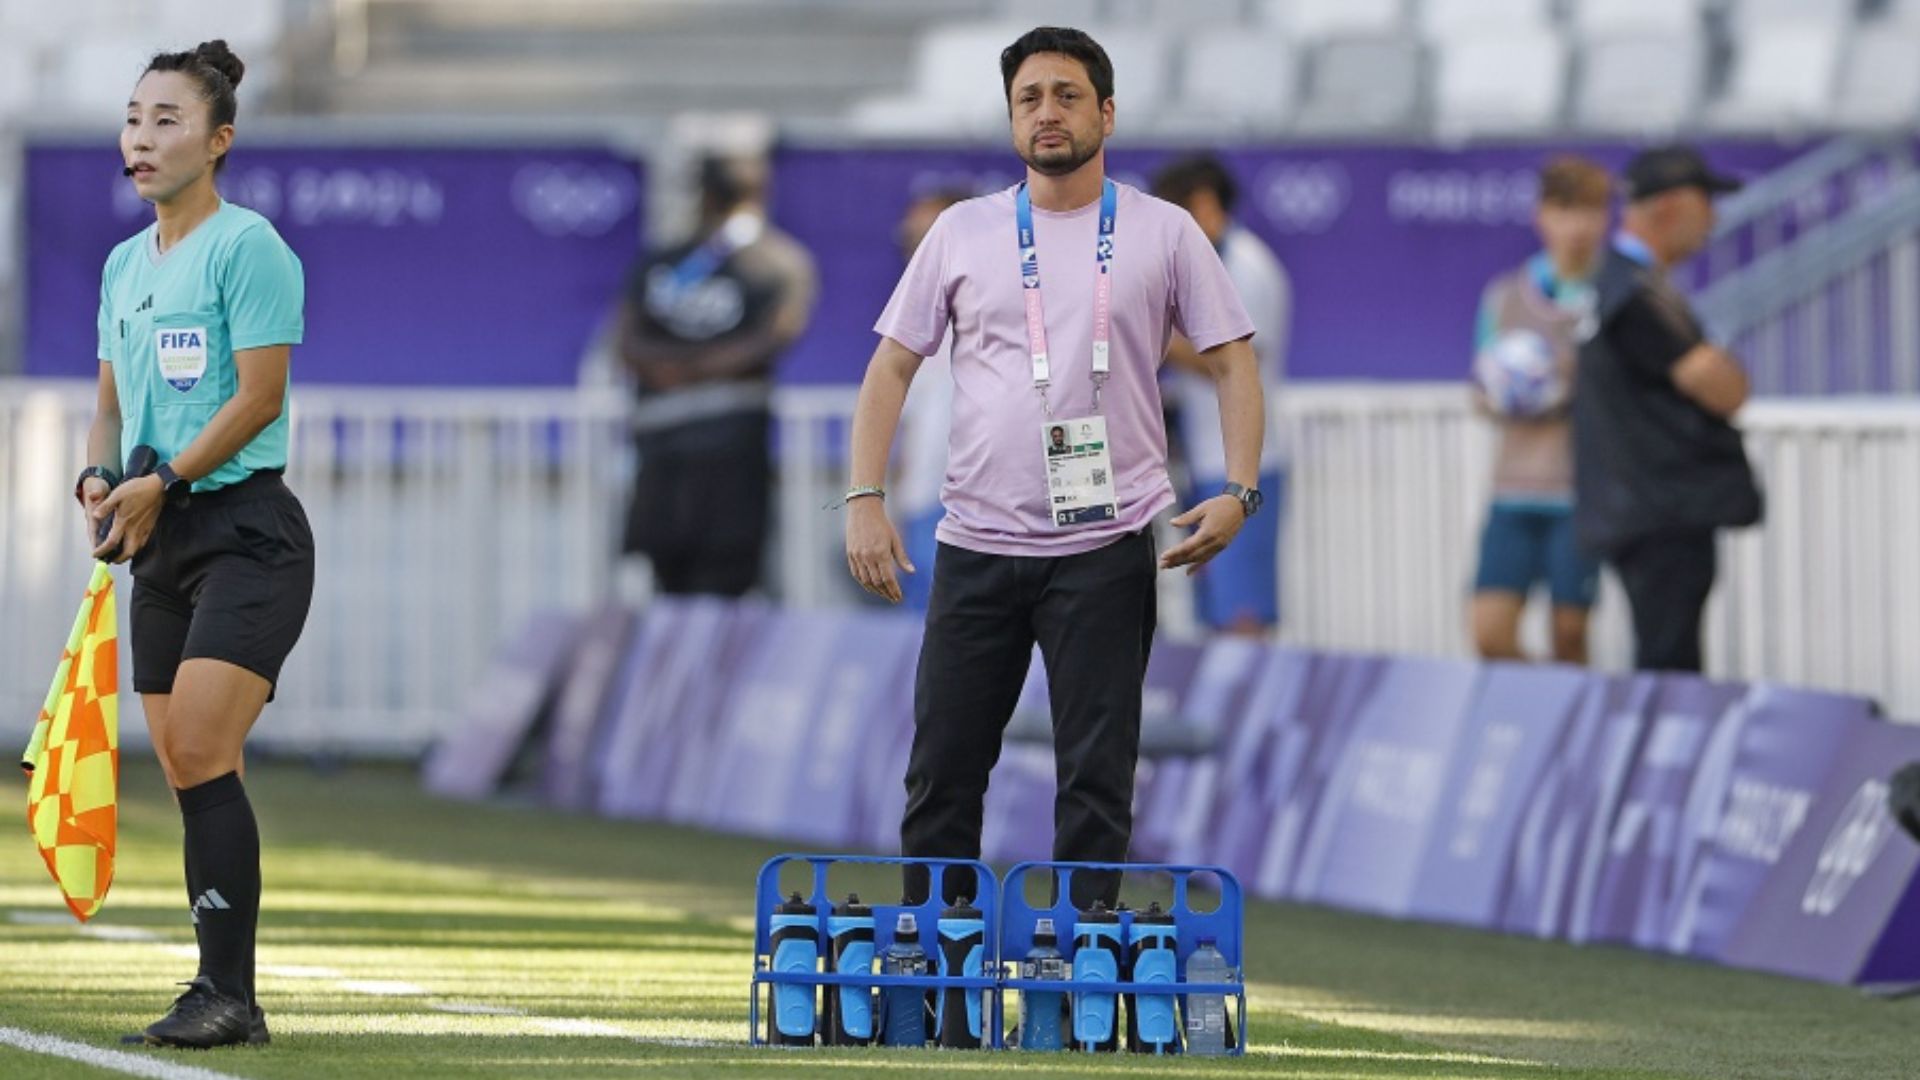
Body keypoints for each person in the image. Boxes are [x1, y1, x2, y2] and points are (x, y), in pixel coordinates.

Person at [842, 27, 1265, 906]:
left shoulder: (1164, 230)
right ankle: (942, 966)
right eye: (1030, 98)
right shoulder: (963, 231)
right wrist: (863, 498)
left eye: (1067, 95)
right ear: (1010, 120)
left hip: (1106, 546)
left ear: (1106, 112)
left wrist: (1237, 490)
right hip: (976, 542)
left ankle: (1081, 972)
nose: (1048, 113)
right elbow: (890, 365)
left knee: (1098, 779)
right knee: (943, 773)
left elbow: (1233, 361)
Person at [81, 40, 313, 1049]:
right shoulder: (125, 264)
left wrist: (164, 479)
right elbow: (109, 404)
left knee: (205, 749)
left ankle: (231, 997)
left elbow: (260, 397)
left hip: (246, 532)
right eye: (135, 117)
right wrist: (98, 482)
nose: (142, 136)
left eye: (167, 119)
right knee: (183, 762)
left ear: (217, 142)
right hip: (159, 539)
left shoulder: (248, 247)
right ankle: (219, 990)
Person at [1574, 145, 1762, 673]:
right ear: (1670, 209)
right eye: (1706, 205)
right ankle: (1666, 755)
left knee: (1665, 653)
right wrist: (1725, 369)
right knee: (1669, 665)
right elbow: (1723, 389)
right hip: (1661, 509)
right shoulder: (1634, 294)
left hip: (1647, 505)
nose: (1714, 221)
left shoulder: (1620, 283)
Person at [617, 155, 817, 597]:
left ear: (702, 196)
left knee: (689, 586)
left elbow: (629, 344)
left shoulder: (765, 262)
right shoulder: (779, 261)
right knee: (707, 584)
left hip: (693, 451)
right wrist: (707, 369)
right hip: (701, 453)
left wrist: (677, 369)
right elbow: (774, 337)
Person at [1468, 156, 1610, 664]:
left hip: (1578, 494)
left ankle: (1572, 732)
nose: (1578, 226)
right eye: (1565, 210)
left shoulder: (1612, 295)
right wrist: (1507, 393)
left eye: (1591, 211)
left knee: (1570, 635)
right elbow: (1480, 389)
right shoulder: (1506, 296)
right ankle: (1539, 712)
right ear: (1541, 216)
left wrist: (1567, 386)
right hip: (1513, 491)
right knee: (1489, 633)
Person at [1151, 155, 1292, 635]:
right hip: (1204, 460)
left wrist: (1156, 337)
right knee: (1210, 606)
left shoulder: (1247, 267)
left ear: (1205, 207)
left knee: (1243, 609)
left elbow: (1236, 361)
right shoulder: (1209, 265)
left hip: (1246, 465)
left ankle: (1246, 708)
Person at [891, 188, 970, 611]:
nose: (915, 255)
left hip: (981, 510)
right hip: (923, 506)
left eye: (928, 241)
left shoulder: (1003, 320)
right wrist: (892, 504)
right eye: (910, 241)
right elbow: (909, 426)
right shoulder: (912, 328)